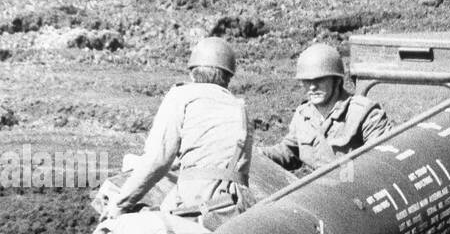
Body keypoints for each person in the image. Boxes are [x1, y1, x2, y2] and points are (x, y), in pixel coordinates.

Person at [107, 37, 252, 221]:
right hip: (238, 210)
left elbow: (158, 160)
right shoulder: (241, 108)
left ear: (192, 73)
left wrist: (120, 205)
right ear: (228, 77)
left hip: (196, 206)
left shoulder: (181, 96)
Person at [261, 42, 391, 174]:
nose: (312, 87)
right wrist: (257, 154)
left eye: (319, 80)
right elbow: (289, 152)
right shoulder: (303, 115)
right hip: (316, 190)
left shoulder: (363, 112)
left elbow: (381, 159)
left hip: (355, 188)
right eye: (307, 81)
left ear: (337, 81)